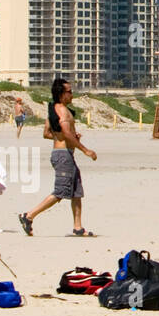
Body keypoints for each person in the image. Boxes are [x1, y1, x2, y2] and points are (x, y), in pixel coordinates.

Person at [19, 78, 97, 237]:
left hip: (62, 154)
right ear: (61, 94)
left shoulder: (53, 110)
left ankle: (78, 227)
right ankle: (29, 216)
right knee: (60, 192)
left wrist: (67, 138)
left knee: (76, 191)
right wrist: (84, 149)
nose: (72, 94)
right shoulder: (62, 111)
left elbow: (47, 133)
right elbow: (66, 133)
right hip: (63, 156)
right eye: (69, 91)